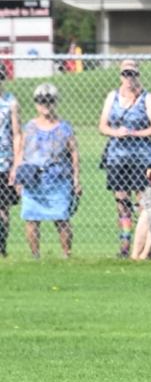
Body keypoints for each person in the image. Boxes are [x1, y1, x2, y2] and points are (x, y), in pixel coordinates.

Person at [98, 58, 151, 257]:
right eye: (125, 74)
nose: (129, 78)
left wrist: (134, 133)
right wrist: (116, 132)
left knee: (143, 202)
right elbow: (102, 126)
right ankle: (125, 245)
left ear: (137, 75)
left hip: (142, 157)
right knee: (122, 202)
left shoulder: (147, 98)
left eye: (132, 74)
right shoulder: (113, 97)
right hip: (117, 157)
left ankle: (144, 247)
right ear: (120, 75)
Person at [14, 82, 79, 260]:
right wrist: (17, 175)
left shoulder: (64, 127)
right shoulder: (30, 127)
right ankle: (35, 256)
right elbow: (21, 151)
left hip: (58, 179)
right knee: (31, 218)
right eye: (41, 100)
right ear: (36, 103)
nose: (45, 105)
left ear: (55, 101)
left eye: (49, 100)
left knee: (62, 219)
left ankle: (67, 255)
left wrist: (76, 179)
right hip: (33, 179)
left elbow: (73, 152)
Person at [0, 77, 19, 257]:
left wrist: (15, 164)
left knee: (3, 208)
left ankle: (1, 248)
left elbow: (16, 135)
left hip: (4, 162)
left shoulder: (10, 101)